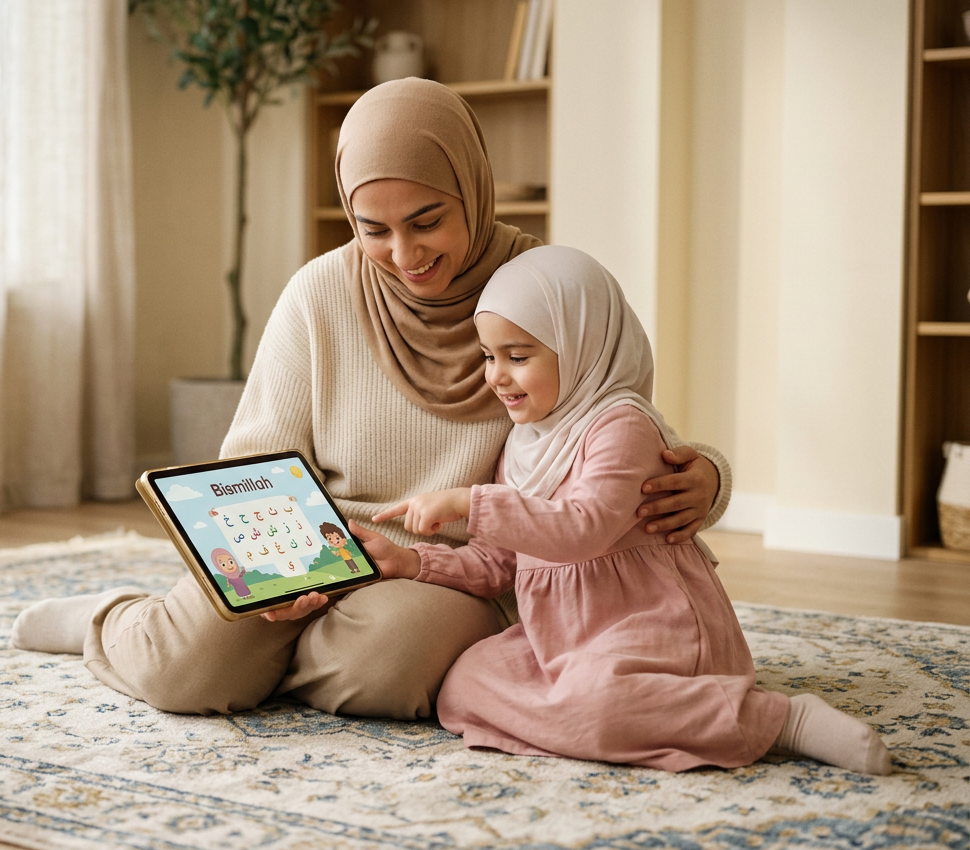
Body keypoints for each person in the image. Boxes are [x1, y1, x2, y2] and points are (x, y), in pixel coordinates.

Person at [10, 77, 731, 720]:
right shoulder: (321, 292)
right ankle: (119, 622)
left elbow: (617, 427)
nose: (403, 254)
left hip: (450, 570)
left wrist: (710, 477)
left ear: (473, 187)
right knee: (184, 673)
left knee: (387, 671)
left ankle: (250, 660)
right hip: (314, 548)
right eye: (372, 228)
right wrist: (280, 569)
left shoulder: (537, 290)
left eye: (426, 221)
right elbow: (255, 460)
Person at [353, 245, 892, 775]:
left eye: (518, 357)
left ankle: (780, 721)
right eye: (489, 356)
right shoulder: (522, 445)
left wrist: (469, 503)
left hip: (649, 623)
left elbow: (584, 528)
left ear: (582, 344)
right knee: (465, 683)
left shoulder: (621, 424)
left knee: (598, 704)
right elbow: (500, 565)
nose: (496, 375)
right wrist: (412, 563)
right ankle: (597, 716)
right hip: (563, 637)